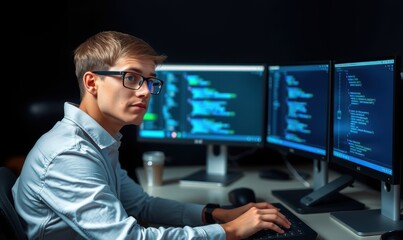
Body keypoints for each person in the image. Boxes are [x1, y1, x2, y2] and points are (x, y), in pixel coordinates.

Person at [12, 30, 291, 240]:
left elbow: (141, 206)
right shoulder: (70, 154)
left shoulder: (96, 141)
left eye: (149, 80)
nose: (146, 91)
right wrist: (229, 231)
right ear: (92, 82)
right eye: (132, 78)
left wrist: (215, 214)